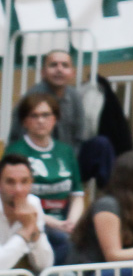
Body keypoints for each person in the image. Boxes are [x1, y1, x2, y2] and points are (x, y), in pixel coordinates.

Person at [10, 49, 133, 188]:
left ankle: (112, 195)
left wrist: (69, 160)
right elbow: (19, 139)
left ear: (72, 73)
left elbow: (79, 137)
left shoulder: (75, 97)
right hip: (37, 162)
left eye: (65, 65)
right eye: (53, 65)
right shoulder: (31, 99)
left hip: (70, 158)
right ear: (43, 72)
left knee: (101, 145)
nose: (59, 69)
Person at [6, 93, 84, 265]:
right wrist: (57, 224)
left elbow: (77, 194)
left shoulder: (65, 151)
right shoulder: (15, 152)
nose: (40, 120)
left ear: (55, 119)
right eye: (34, 116)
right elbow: (13, 197)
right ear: (24, 121)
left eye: (46, 115)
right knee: (64, 241)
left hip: (65, 222)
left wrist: (71, 222)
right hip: (31, 220)